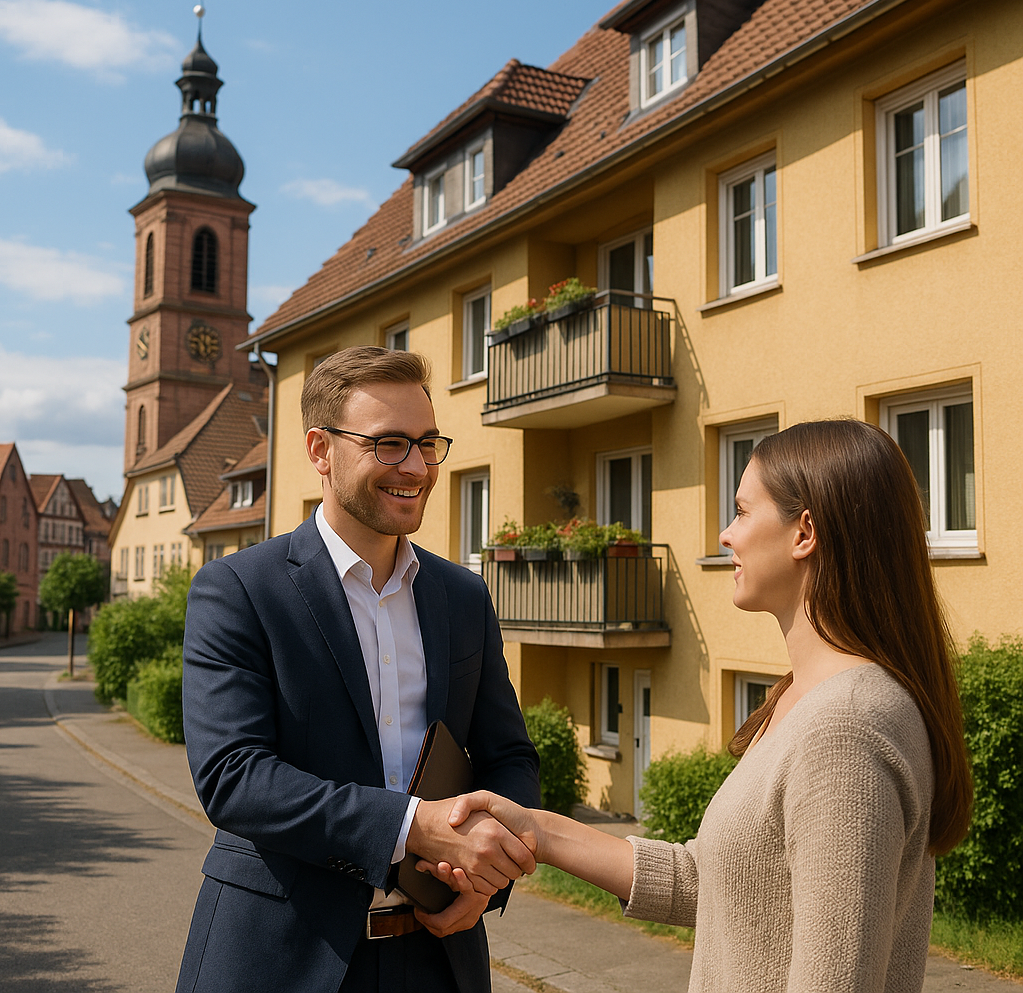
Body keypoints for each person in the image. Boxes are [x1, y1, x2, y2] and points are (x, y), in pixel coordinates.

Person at [426, 420, 973, 993]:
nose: (726, 534)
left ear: (804, 532)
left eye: (741, 511)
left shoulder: (845, 728)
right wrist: (536, 829)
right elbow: (718, 884)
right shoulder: (807, 700)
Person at [174, 346, 541, 993]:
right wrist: (409, 827)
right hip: (281, 959)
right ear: (321, 450)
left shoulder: (463, 597)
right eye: (390, 444)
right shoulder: (237, 589)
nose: (418, 467)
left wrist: (490, 874)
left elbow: (508, 757)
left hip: (438, 956)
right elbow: (233, 779)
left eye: (428, 444)